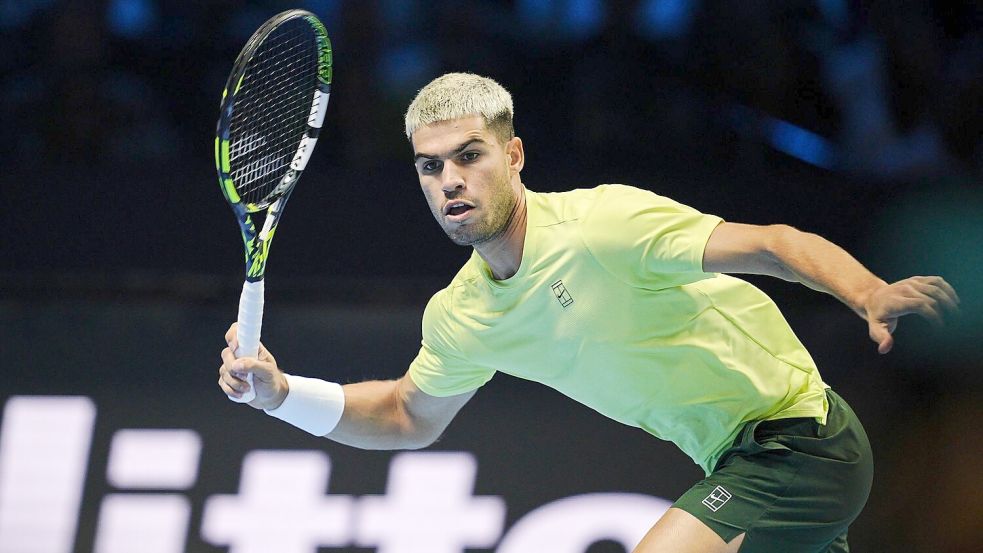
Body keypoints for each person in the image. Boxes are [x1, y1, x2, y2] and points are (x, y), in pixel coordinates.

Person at [217, 73, 959, 552]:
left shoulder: (604, 225)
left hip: (800, 444)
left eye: (469, 156)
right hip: (738, 465)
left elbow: (770, 243)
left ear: (513, 156)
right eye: (430, 165)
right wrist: (280, 396)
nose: (449, 179)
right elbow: (408, 415)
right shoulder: (464, 314)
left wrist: (865, 291)